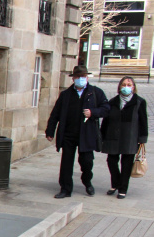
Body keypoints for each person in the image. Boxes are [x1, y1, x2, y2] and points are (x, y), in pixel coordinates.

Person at [45, 65, 110, 198]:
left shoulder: (95, 92)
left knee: (87, 161)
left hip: (86, 133)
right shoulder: (66, 95)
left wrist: (93, 112)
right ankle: (65, 188)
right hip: (69, 133)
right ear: (73, 78)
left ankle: (87, 182)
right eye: (78, 77)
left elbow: (106, 108)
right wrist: (50, 131)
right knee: (66, 163)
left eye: (84, 77)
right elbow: (55, 114)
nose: (81, 79)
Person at [100, 76, 148, 199]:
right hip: (113, 135)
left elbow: (143, 121)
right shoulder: (113, 102)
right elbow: (106, 120)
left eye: (129, 84)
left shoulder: (139, 102)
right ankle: (115, 183)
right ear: (119, 87)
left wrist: (142, 138)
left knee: (126, 163)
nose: (126, 87)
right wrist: (102, 135)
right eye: (124, 84)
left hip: (130, 137)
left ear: (133, 87)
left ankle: (123, 188)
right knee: (111, 161)